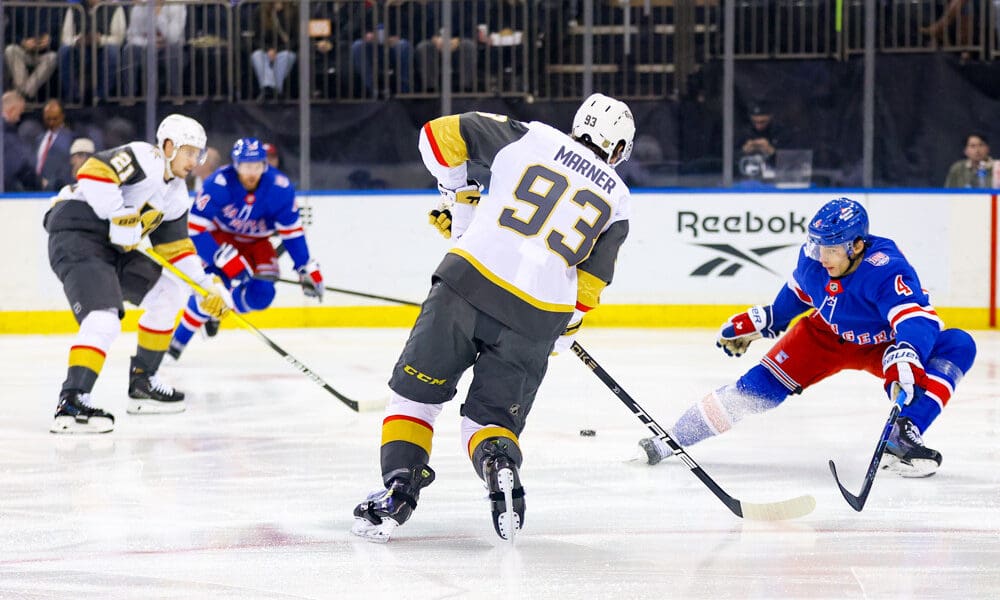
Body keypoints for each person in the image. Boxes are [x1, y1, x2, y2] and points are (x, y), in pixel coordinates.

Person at [351, 93, 635, 542]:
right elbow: (589, 286)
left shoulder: (531, 137)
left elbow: (436, 136)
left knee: (415, 398)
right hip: (538, 316)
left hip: (466, 285)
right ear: (618, 149)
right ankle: (498, 462)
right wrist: (561, 335)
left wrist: (457, 194)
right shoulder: (618, 197)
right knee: (491, 422)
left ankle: (399, 491)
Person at [638, 198, 977, 479]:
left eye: (832, 249)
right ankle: (673, 439)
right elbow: (799, 292)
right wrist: (770, 319)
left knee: (959, 345)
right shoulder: (814, 259)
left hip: (883, 344)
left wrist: (907, 351)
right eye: (818, 246)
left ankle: (903, 434)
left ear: (858, 246)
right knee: (754, 391)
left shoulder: (886, 267)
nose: (822, 257)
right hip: (824, 337)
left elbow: (915, 317)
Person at [43, 114, 230, 434]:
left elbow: (175, 249)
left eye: (197, 154)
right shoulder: (147, 157)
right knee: (103, 318)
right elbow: (93, 171)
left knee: (168, 292)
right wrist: (118, 213)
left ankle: (143, 384)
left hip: (114, 247)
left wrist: (204, 285)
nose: (193, 161)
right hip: (77, 234)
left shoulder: (176, 194)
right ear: (168, 147)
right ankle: (72, 402)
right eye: (188, 152)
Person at [166, 137, 324, 360]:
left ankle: (218, 312)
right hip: (221, 239)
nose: (252, 172)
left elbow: (292, 233)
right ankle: (177, 343)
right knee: (212, 289)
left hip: (258, 244)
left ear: (264, 165)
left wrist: (304, 267)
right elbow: (194, 228)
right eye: (246, 166)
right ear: (236, 165)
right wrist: (219, 255)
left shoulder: (280, 187)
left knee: (263, 294)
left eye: (257, 166)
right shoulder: (219, 183)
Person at [58, 0, 126, 103]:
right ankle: (74, 96)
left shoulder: (115, 8)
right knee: (64, 51)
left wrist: (100, 40)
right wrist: (78, 40)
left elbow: (118, 38)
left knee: (112, 51)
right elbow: (65, 38)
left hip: (103, 49)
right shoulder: (75, 8)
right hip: (80, 49)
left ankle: (102, 97)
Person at [122, 0, 187, 100]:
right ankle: (130, 96)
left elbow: (173, 37)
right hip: (145, 45)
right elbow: (131, 36)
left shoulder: (177, 5)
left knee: (174, 52)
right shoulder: (140, 6)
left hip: (169, 46)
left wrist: (158, 14)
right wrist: (149, 43)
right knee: (129, 51)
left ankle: (177, 96)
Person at [3, 4, 61, 99]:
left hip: (45, 53)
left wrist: (50, 41)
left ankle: (23, 94)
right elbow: (9, 33)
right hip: (25, 51)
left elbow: (63, 38)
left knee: (53, 57)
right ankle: (24, 94)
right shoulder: (21, 6)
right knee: (10, 50)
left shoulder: (57, 8)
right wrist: (23, 42)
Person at [249, 1, 298, 101]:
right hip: (265, 49)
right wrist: (268, 50)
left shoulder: (294, 11)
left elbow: (296, 39)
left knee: (286, 56)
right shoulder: (260, 11)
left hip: (286, 49)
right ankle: (272, 89)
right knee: (257, 55)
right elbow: (255, 38)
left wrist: (278, 50)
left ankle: (270, 90)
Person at [2, 91, 43, 192]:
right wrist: (37, 181)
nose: (19, 118)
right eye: (19, 113)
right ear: (11, 110)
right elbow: (17, 164)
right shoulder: (7, 134)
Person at [35, 99, 74, 191]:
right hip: (36, 188)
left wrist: (51, 183)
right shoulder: (39, 139)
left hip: (56, 189)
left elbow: (67, 167)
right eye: (48, 119)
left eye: (55, 119)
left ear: (62, 116)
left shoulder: (70, 139)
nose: (51, 122)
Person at [737, 102, 781, 179]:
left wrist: (771, 151)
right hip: (746, 177)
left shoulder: (779, 132)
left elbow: (790, 161)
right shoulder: (744, 132)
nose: (758, 126)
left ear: (770, 117)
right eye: (755, 122)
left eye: (762, 122)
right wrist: (742, 152)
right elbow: (727, 162)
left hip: (775, 176)